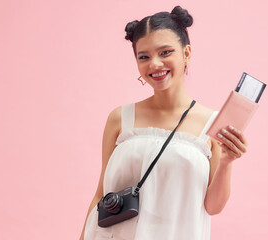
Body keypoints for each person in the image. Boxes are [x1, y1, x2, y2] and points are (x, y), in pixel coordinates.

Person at [79, 6, 248, 240]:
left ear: (186, 53)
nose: (155, 64)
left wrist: (227, 162)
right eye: (144, 57)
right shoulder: (120, 118)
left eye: (165, 52)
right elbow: (101, 195)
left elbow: (213, 207)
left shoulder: (212, 123)